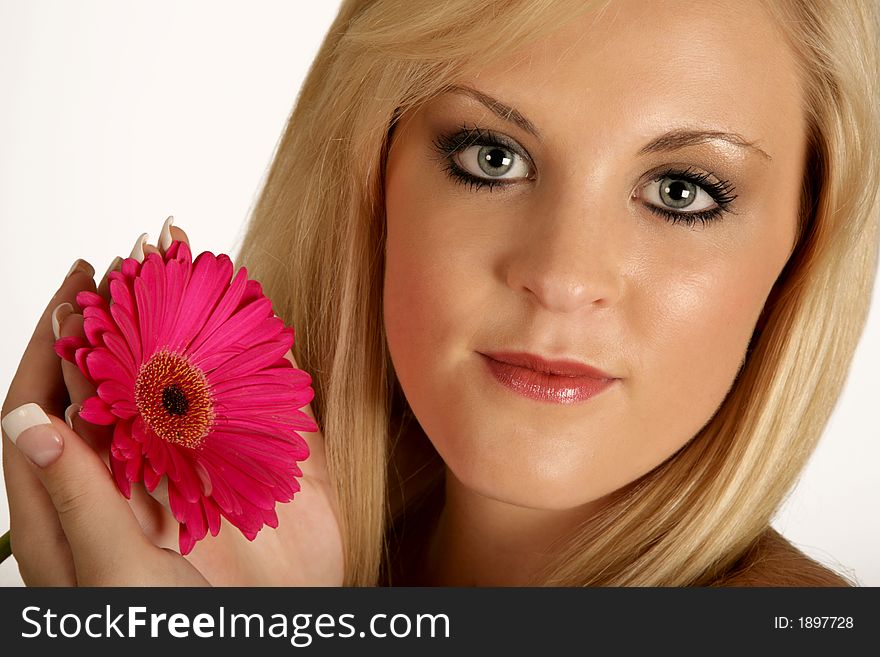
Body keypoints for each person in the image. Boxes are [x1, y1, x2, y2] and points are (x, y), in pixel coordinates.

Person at [2, 0, 878, 587]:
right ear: (373, 181)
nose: (563, 276)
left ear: (804, 244)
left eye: (681, 191)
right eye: (492, 156)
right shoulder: (258, 565)